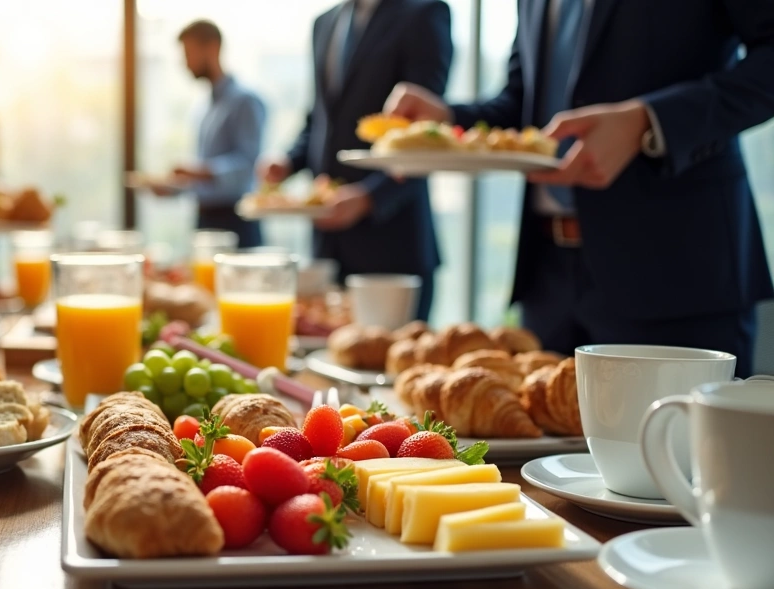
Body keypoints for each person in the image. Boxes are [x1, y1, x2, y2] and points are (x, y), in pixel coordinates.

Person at [384, 0, 774, 376]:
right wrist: (446, 121)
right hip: (547, 281)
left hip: (678, 273)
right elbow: (525, 105)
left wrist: (649, 120)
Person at [260, 0, 452, 321]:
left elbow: (425, 132)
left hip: (392, 244)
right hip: (327, 247)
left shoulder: (423, 12)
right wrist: (288, 162)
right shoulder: (325, 22)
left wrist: (369, 197)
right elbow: (321, 118)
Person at [161, 20, 266, 248]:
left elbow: (248, 165)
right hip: (204, 220)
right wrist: (174, 186)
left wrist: (198, 172)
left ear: (212, 47)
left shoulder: (245, 102)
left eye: (188, 54)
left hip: (236, 221)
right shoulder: (202, 108)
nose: (185, 63)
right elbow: (204, 180)